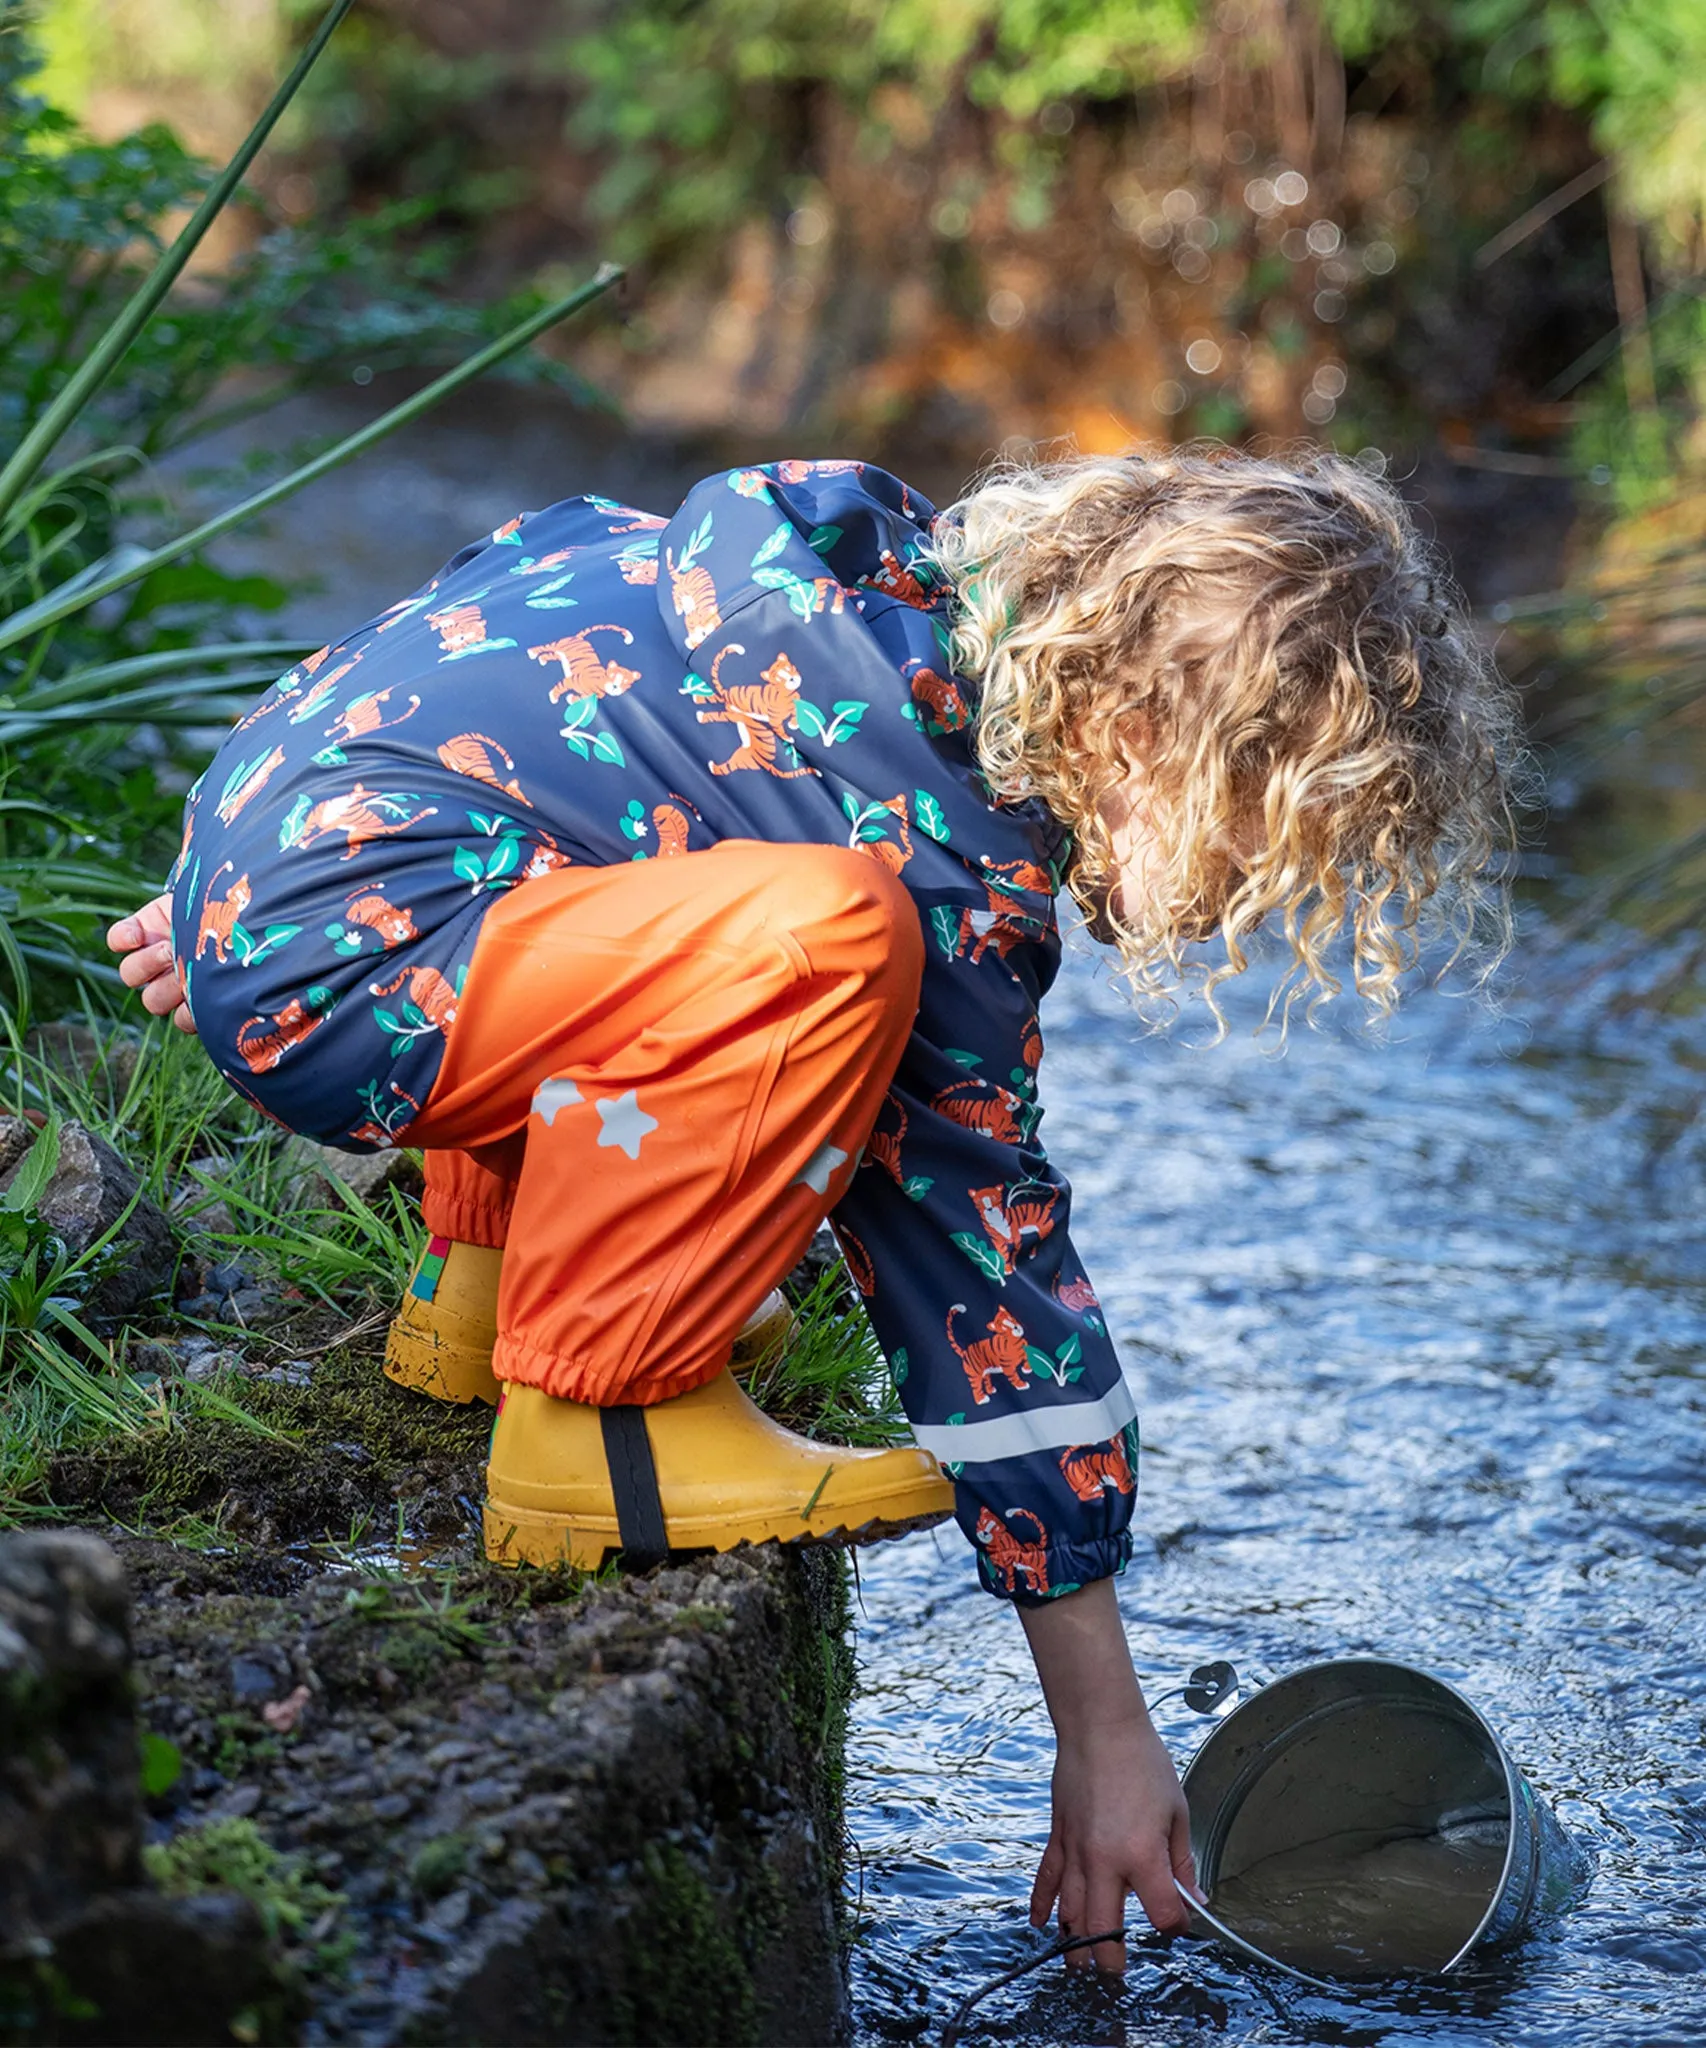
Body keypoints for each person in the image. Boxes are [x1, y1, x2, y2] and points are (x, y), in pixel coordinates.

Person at [108, 447, 1518, 1966]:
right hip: (334, 946)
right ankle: (608, 1424)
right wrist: (1105, 1730)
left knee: (667, 855)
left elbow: (517, 591)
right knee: (824, 939)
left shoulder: (822, 584)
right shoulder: (930, 845)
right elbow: (973, 1256)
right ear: (1132, 730)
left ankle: (486, 1293)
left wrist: (257, 897)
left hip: (288, 856)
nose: (1242, 893)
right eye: (1249, 832)